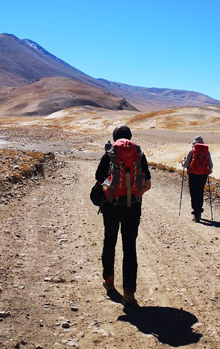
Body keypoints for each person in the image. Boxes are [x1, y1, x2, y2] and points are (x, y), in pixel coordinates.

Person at [95, 125, 152, 305]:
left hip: (111, 207)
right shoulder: (139, 155)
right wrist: (135, 195)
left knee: (109, 241)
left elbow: (98, 179)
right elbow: (148, 184)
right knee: (130, 247)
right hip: (133, 207)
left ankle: (109, 279)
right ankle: (129, 291)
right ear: (130, 137)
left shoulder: (110, 154)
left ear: (115, 138)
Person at [181, 136, 213, 222]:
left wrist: (183, 162)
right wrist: (208, 171)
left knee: (193, 192)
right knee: (200, 191)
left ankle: (196, 213)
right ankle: (199, 210)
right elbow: (211, 166)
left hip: (193, 174)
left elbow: (185, 164)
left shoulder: (192, 151)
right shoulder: (207, 152)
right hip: (203, 175)